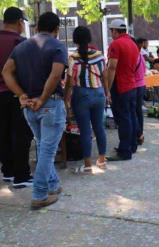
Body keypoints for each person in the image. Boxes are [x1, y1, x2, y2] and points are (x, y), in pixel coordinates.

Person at [2, 12, 67, 209]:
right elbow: (56, 76)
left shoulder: (21, 46)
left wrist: (21, 94)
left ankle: (53, 185)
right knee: (47, 151)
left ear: (37, 27)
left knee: (43, 147)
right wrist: (43, 98)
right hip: (49, 104)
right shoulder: (57, 46)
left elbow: (6, 71)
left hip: (29, 106)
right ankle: (39, 194)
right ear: (56, 29)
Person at [64, 26, 108, 173]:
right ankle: (102, 160)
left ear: (75, 39)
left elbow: (69, 81)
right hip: (99, 93)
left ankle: (88, 165)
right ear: (89, 38)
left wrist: (66, 100)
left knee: (85, 131)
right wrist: (107, 93)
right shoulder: (100, 55)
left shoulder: (73, 57)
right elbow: (105, 76)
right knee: (99, 127)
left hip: (81, 95)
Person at [0, 7, 33, 188]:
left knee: (2, 134)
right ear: (20, 22)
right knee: (21, 135)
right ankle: (22, 176)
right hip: (17, 94)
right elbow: (27, 71)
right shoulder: (20, 43)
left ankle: (8, 171)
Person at [106, 19, 139, 161]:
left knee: (123, 119)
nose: (110, 34)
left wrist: (107, 89)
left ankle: (124, 151)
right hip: (132, 85)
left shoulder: (116, 44)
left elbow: (112, 67)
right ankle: (132, 145)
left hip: (120, 86)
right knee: (131, 116)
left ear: (115, 30)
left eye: (111, 31)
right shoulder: (132, 43)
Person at [134, 38, 146, 145]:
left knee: (134, 112)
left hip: (136, 86)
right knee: (138, 112)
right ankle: (140, 133)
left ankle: (138, 134)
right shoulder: (141, 56)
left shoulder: (136, 56)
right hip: (141, 84)